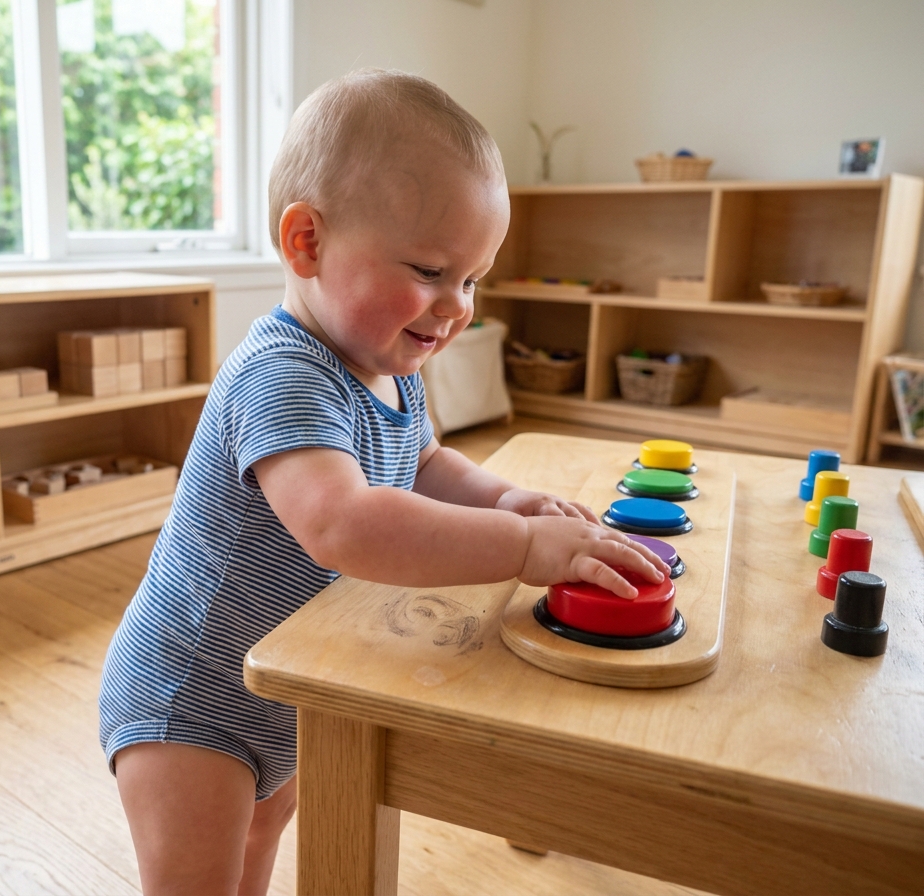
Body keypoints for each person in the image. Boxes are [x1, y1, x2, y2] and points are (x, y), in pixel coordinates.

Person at [99, 69, 667, 895]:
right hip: (191, 694)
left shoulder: (390, 367)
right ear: (307, 243)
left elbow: (426, 463)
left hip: (287, 675)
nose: (458, 306)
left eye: (472, 279)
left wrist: (503, 498)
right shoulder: (282, 374)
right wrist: (522, 543)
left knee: (260, 837)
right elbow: (344, 524)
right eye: (432, 270)